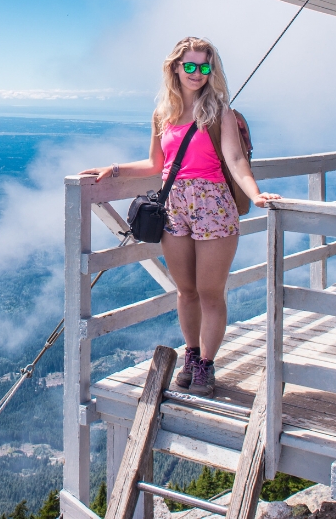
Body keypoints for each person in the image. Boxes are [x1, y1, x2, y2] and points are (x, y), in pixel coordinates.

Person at [80, 37, 280, 396]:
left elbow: (235, 160)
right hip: (175, 207)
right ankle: (191, 356)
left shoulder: (221, 113)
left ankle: (206, 364)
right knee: (186, 291)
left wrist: (255, 194)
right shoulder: (163, 114)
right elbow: (157, 164)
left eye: (205, 66)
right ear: (175, 67)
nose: (198, 73)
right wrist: (113, 169)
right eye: (190, 65)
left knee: (210, 291)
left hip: (214, 205)